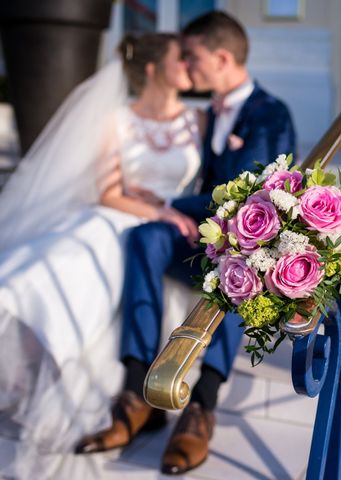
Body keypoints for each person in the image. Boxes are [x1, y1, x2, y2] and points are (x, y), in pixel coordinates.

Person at [75, 11, 297, 476]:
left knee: (246, 267)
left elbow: (247, 188)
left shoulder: (270, 112)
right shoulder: (206, 113)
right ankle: (137, 390)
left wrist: (171, 198)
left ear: (220, 58)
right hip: (202, 239)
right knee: (146, 236)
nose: (187, 66)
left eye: (192, 56)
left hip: (244, 246)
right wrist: (168, 212)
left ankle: (202, 405)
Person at [0, 33, 203, 479]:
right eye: (179, 58)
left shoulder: (198, 120)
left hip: (172, 228)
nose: (189, 66)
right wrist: (157, 209)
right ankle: (31, 360)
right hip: (125, 213)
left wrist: (170, 213)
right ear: (152, 69)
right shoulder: (116, 119)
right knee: (58, 261)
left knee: (105, 260)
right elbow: (109, 191)